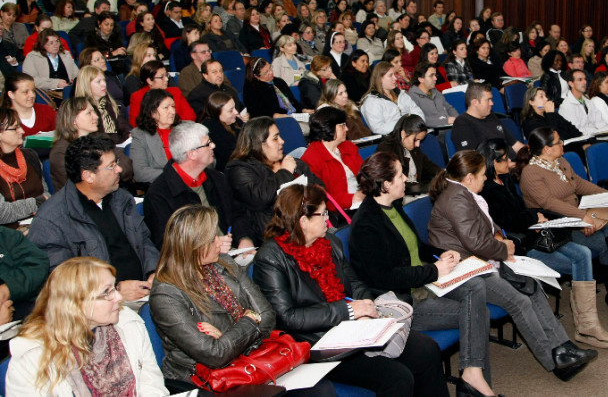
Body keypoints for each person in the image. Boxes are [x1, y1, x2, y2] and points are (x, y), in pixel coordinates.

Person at [252, 184, 449, 396]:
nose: (328, 219)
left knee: (427, 350)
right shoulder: (270, 259)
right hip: (318, 343)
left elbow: (355, 283)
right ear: (303, 222)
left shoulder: (329, 243)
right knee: (397, 378)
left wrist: (366, 307)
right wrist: (350, 312)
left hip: (353, 329)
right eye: (323, 213)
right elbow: (287, 318)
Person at [427, 150, 599, 380]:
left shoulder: (464, 193)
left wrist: (500, 238)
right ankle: (555, 361)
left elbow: (487, 224)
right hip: (468, 270)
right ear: (469, 178)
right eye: (481, 175)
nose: (485, 178)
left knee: (532, 286)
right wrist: (504, 248)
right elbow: (475, 242)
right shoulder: (457, 198)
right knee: (519, 302)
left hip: (483, 260)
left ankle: (564, 347)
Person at [348, 152, 503, 395]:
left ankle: (474, 380)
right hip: (403, 303)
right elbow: (385, 278)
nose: (405, 180)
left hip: (423, 287)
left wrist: (442, 253)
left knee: (476, 291)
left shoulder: (393, 207)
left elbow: (417, 247)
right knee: (478, 312)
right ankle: (476, 384)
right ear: (386, 184)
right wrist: (433, 270)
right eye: (400, 176)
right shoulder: (366, 225)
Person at [149, 205, 334, 396]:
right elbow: (215, 355)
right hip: (207, 379)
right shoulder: (166, 295)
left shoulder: (224, 264)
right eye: (212, 238)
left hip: (251, 359)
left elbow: (268, 316)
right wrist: (249, 320)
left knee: (320, 390)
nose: (219, 243)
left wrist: (228, 336)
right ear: (194, 245)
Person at [476, 138, 608, 349]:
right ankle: (585, 327)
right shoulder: (485, 189)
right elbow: (505, 221)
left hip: (536, 235)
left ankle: (588, 324)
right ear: (491, 162)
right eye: (503, 159)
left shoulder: (505, 180)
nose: (509, 162)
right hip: (522, 246)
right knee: (580, 259)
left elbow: (521, 210)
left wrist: (536, 216)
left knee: (583, 254)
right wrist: (534, 218)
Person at [518, 127, 608, 314]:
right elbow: (548, 203)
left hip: (577, 217)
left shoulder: (560, 161)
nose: (562, 144)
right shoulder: (531, 173)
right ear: (547, 149)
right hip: (560, 228)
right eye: (559, 142)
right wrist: (581, 218)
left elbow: (579, 184)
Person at [7, 256, 168, 396]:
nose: (118, 297)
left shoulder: (128, 323)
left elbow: (151, 386)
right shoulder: (32, 357)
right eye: (107, 292)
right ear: (76, 305)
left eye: (114, 288)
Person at [28, 135, 159, 301]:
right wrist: (114, 291)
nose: (119, 169)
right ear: (88, 176)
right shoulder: (51, 221)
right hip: (98, 306)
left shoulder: (121, 198)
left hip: (144, 292)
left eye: (117, 162)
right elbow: (61, 283)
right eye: (111, 166)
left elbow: (144, 240)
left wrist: (153, 272)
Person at [225, 117, 321, 248]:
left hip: (312, 225)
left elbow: (320, 189)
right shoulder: (239, 169)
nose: (282, 141)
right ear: (259, 143)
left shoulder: (291, 162)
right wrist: (285, 172)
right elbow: (260, 198)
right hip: (277, 238)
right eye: (275, 138)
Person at [143, 122, 232, 249]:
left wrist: (244, 239)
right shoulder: (158, 195)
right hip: (197, 261)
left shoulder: (217, 179)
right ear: (192, 154)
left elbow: (237, 214)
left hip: (231, 250)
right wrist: (210, 247)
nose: (213, 145)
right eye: (208, 143)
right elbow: (169, 245)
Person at [49, 98, 133, 192]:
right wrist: (112, 170)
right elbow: (79, 185)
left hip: (112, 194)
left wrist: (109, 171)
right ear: (73, 120)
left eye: (94, 112)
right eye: (89, 113)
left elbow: (127, 165)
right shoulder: (60, 151)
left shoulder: (101, 138)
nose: (96, 116)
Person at [302, 107, 364, 220]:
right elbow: (322, 197)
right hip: (340, 212)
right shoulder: (311, 158)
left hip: (362, 201)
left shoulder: (349, 147)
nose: (347, 129)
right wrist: (353, 198)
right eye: (342, 125)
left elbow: (365, 174)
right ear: (329, 128)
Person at [0, 107, 48, 225]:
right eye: (15, 128)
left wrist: (42, 201)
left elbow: (45, 193)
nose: (21, 131)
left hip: (42, 222)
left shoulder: (30, 155)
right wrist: (36, 203)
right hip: (10, 235)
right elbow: (2, 213)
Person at [452, 82, 524, 157]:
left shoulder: (491, 116)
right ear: (475, 102)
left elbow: (515, 144)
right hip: (496, 166)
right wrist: (506, 163)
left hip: (510, 162)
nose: (492, 103)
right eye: (488, 100)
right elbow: (472, 160)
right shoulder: (462, 123)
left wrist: (530, 155)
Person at [377, 114, 442, 193]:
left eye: (420, 141)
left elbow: (429, 167)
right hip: (401, 196)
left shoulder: (414, 149)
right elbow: (393, 183)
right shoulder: (386, 150)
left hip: (416, 192)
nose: (417, 145)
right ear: (403, 134)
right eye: (415, 140)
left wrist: (446, 174)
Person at [131, 89, 182, 184]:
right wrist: (176, 175)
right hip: (163, 186)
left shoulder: (184, 129)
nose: (172, 111)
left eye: (173, 106)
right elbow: (140, 172)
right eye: (166, 107)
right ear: (152, 112)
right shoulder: (140, 135)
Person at [360, 61, 425, 135]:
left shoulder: (401, 94)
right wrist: (404, 124)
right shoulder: (372, 102)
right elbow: (378, 128)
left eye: (394, 74)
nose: (395, 78)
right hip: (391, 139)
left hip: (411, 133)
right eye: (391, 75)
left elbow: (418, 112)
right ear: (380, 79)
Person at [128, 60, 196, 127]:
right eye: (161, 77)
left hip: (178, 130)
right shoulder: (138, 97)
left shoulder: (175, 92)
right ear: (149, 81)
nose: (166, 79)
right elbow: (135, 124)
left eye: (166, 75)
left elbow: (191, 116)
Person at [73, 66, 131, 144]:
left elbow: (122, 124)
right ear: (87, 85)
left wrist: (129, 133)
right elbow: (94, 136)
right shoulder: (83, 109)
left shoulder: (108, 102)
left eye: (104, 80)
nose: (104, 84)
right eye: (98, 81)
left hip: (118, 144)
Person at [243, 56, 307, 120]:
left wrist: (303, 110)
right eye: (266, 72)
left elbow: (293, 102)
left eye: (270, 68)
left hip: (294, 116)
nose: (271, 72)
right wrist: (281, 116)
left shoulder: (278, 81)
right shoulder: (251, 89)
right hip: (275, 121)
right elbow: (258, 113)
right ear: (256, 76)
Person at [199, 91, 245, 172]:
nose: (236, 112)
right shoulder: (211, 128)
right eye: (231, 110)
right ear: (217, 112)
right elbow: (232, 156)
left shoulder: (234, 120)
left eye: (235, 108)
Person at [4, 72, 57, 137]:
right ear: (11, 94)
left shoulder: (47, 111)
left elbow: (62, 137)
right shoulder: (4, 118)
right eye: (25, 92)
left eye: (33, 90)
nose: (32, 95)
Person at [408, 61, 458, 128]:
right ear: (421, 79)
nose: (435, 78)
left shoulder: (435, 91)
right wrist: (446, 121)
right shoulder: (412, 96)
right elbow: (420, 120)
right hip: (434, 131)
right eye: (431, 76)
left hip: (447, 127)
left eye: (435, 75)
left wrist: (457, 119)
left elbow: (449, 108)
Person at [559, 69, 608, 136]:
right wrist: (597, 131)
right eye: (580, 80)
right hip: (581, 141)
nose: (584, 82)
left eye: (585, 79)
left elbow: (600, 121)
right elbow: (577, 130)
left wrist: (606, 131)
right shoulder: (566, 106)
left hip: (595, 135)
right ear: (571, 84)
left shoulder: (589, 102)